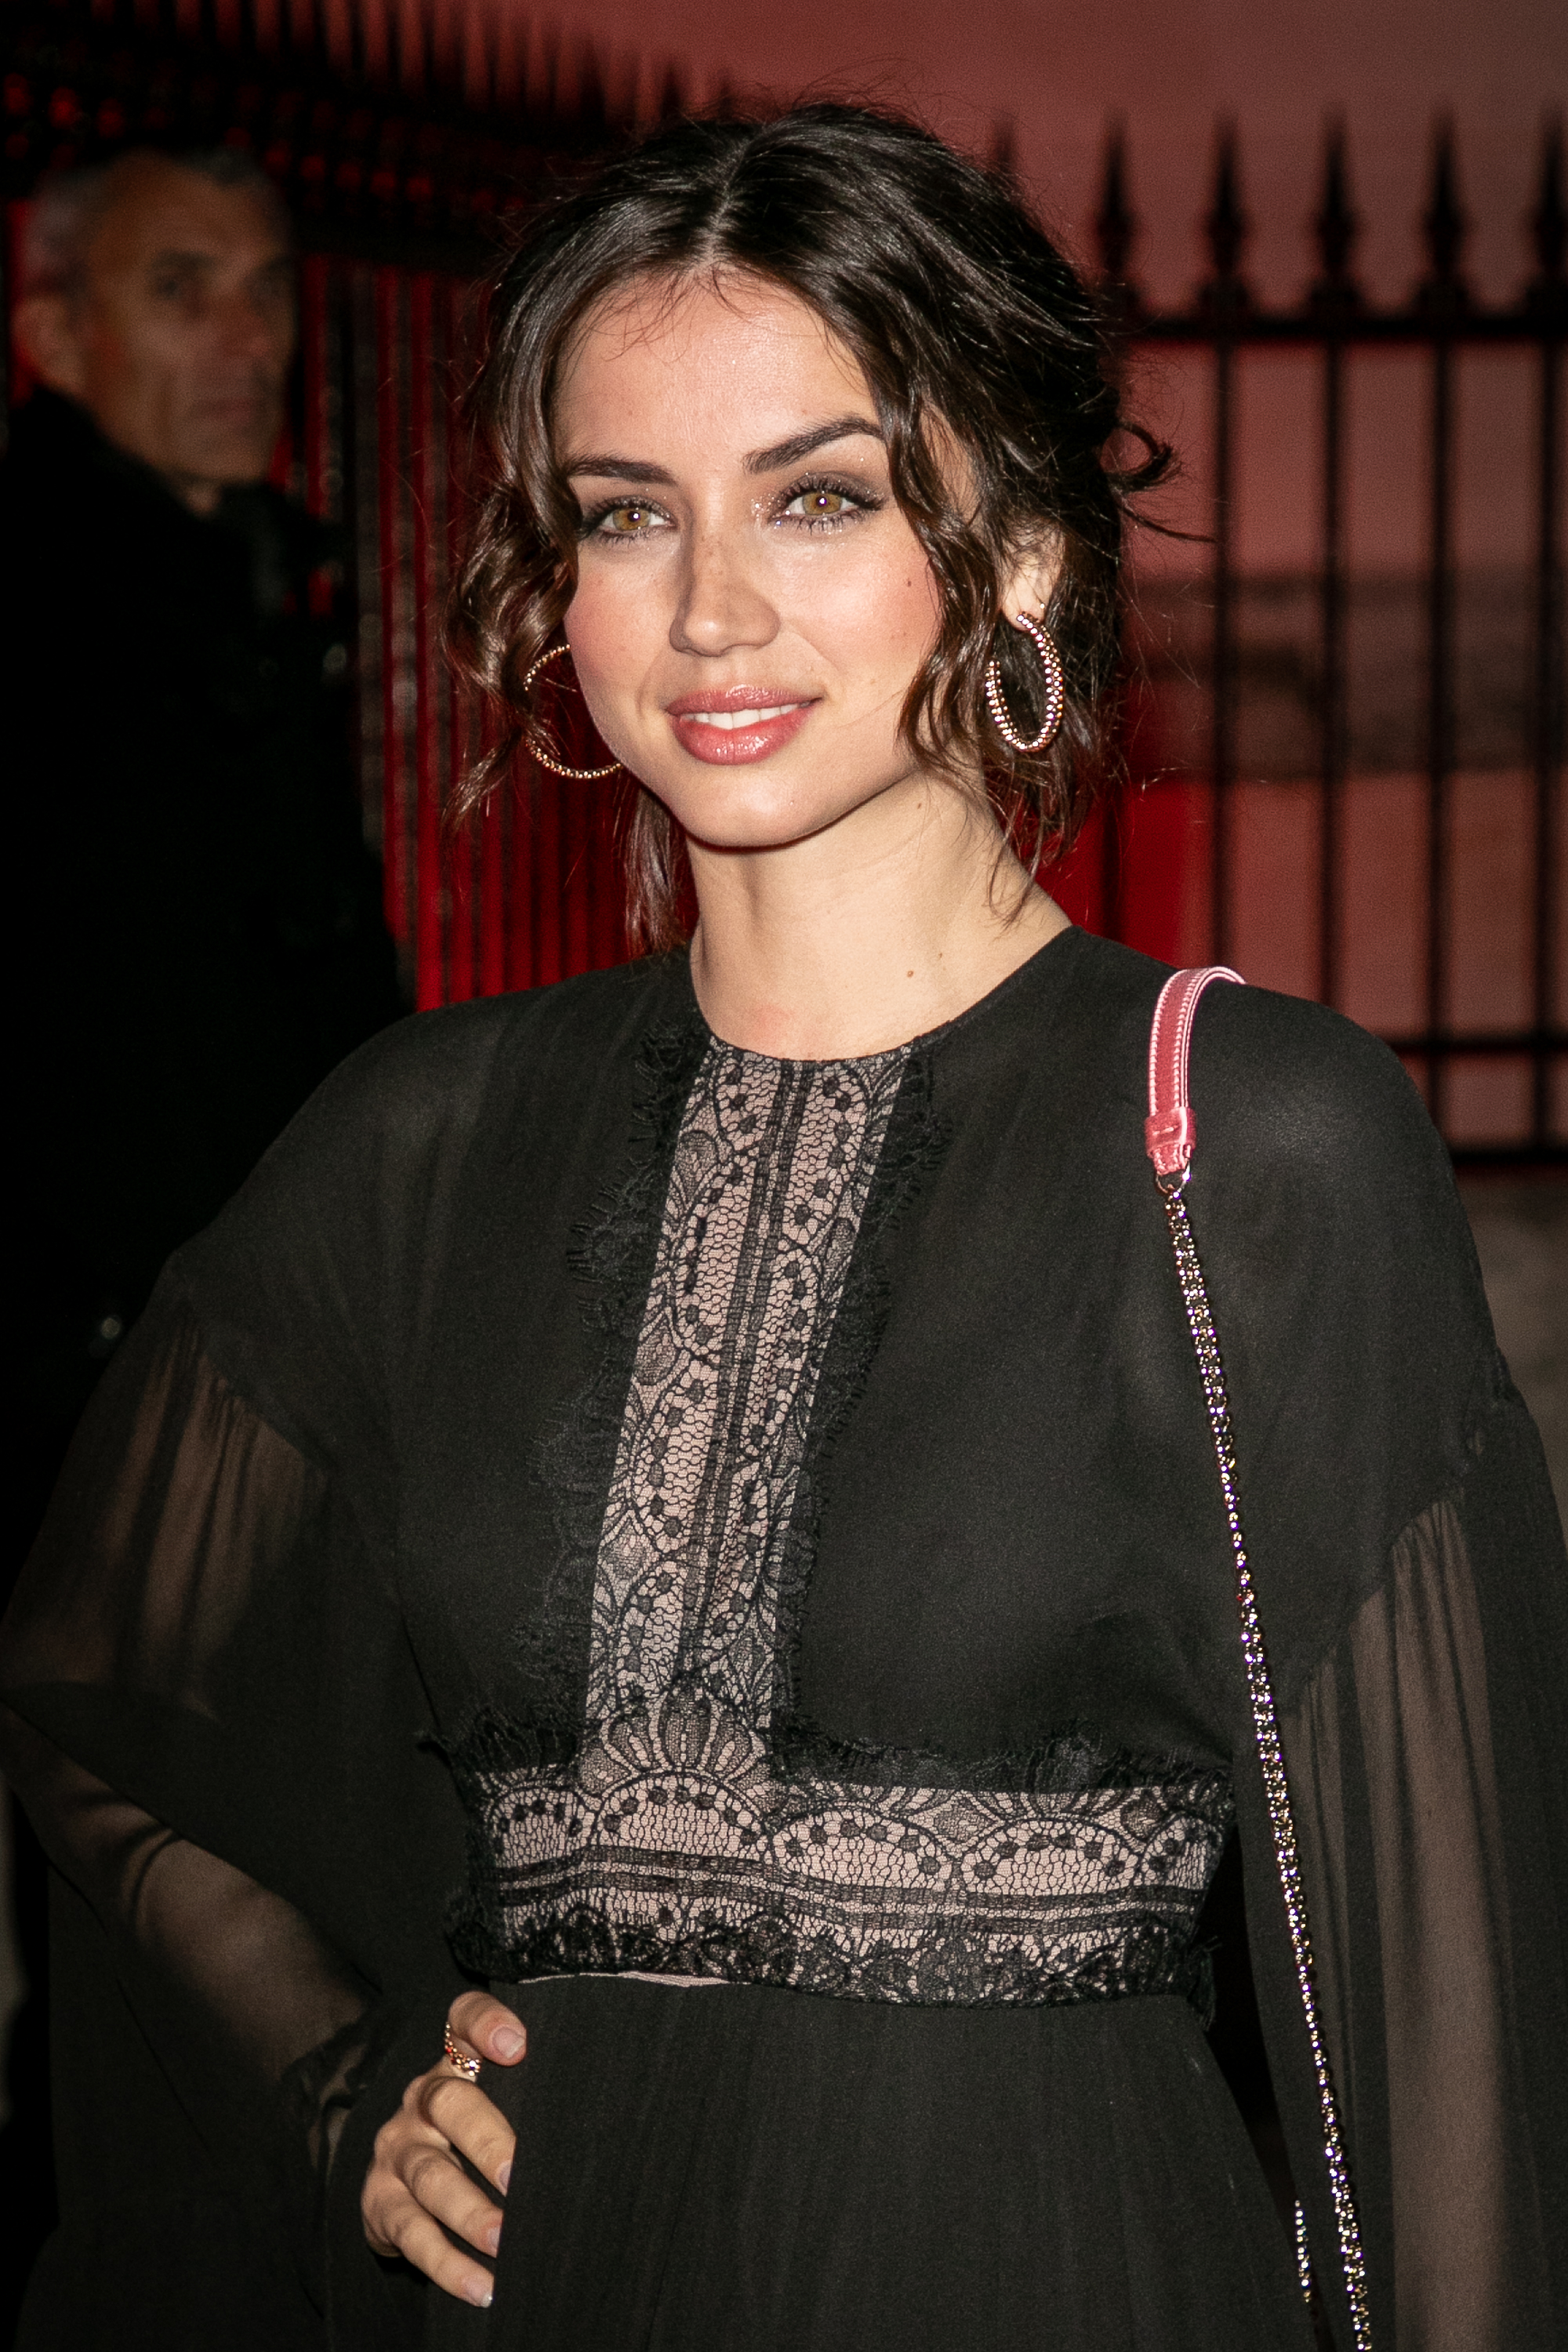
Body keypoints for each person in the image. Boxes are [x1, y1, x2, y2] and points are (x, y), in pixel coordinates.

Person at [2, 103, 1564, 2352]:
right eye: (628, 517)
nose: (710, 609)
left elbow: (1456, 2031)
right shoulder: (414, 1149)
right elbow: (95, 1702)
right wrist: (346, 2085)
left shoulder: (1254, 1141)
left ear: (1018, 544)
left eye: (819, 497)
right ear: (555, 579)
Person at [0, 141, 401, 2338]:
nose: (245, 341)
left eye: (263, 292)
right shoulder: (57, 606)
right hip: (117, 1374)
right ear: (55, 337)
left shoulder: (236, 570)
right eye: (184, 292)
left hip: (235, 1361)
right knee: (137, 1884)